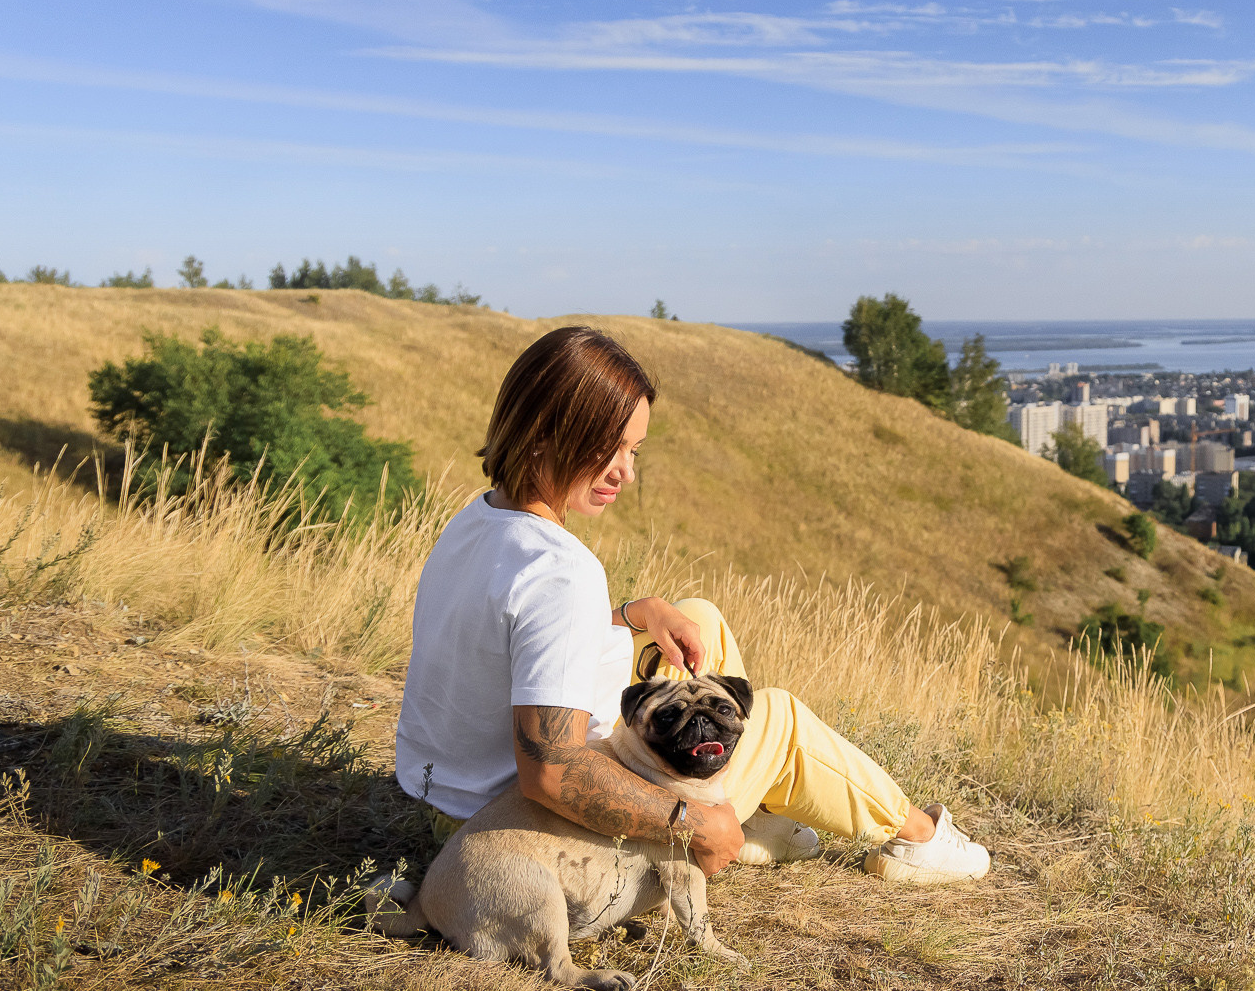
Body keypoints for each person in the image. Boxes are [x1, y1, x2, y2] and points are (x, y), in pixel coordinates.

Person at [394, 325, 989, 884]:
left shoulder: (480, 520)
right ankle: (916, 838)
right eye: (610, 448)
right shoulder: (561, 572)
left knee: (695, 617)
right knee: (777, 718)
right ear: (547, 432)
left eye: (634, 450)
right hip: (519, 834)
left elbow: (511, 634)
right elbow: (551, 773)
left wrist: (636, 614)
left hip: (441, 802)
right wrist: (693, 824)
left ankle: (749, 813)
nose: (625, 472)